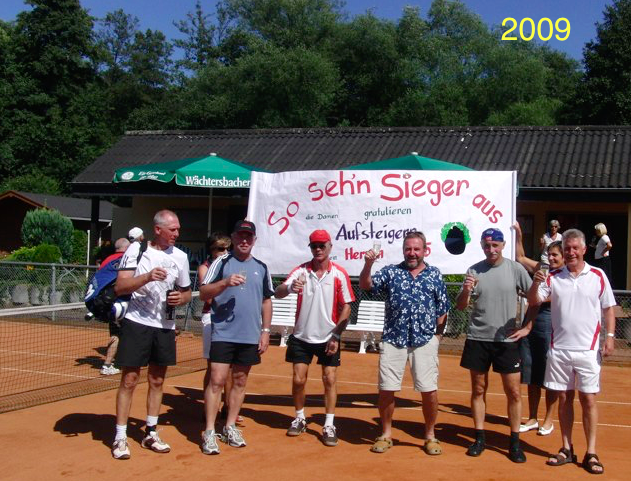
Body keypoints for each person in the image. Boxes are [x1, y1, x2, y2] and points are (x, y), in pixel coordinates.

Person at [527, 228, 616, 475]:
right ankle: (566, 448)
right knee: (564, 399)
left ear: (584, 249)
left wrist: (609, 337)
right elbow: (534, 301)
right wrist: (535, 283)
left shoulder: (598, 275)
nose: (571, 252)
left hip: (588, 351)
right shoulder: (553, 277)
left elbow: (609, 309)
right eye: (567, 248)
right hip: (560, 350)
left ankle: (591, 452)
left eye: (575, 248)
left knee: (588, 400)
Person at [110, 210, 192, 460]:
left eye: (178, 229)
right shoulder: (137, 251)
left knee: (157, 380)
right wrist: (147, 276)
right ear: (158, 229)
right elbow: (120, 286)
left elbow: (187, 292)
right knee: (130, 379)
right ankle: (120, 436)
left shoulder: (180, 257)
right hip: (137, 322)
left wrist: (180, 299)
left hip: (165, 326)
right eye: (173, 229)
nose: (177, 233)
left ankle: (151, 432)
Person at [359, 231, 449, 456]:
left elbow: (442, 308)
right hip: (393, 339)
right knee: (387, 389)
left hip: (424, 341)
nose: (412, 253)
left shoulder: (434, 274)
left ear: (425, 250)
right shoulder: (391, 272)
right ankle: (386, 434)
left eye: (416, 249)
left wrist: (437, 337)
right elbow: (367, 285)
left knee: (429, 390)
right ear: (403, 250)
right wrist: (368, 264)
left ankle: (430, 436)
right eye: (408, 249)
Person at [455, 227, 534, 463]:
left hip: (506, 341)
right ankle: (479, 438)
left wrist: (527, 327)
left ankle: (514, 442)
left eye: (495, 245)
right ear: (482, 246)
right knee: (478, 390)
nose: (491, 250)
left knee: (514, 392)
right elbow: (460, 305)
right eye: (487, 246)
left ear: (503, 245)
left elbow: (535, 299)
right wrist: (466, 290)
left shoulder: (515, 269)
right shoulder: (473, 270)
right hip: (478, 338)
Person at [199, 220, 273, 455]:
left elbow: (266, 301)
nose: (244, 240)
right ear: (233, 238)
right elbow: (203, 292)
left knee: (240, 381)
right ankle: (209, 431)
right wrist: (224, 282)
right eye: (240, 236)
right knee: (217, 380)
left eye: (248, 237)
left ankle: (230, 426)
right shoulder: (221, 262)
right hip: (223, 332)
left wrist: (265, 331)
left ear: (254, 240)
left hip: (250, 335)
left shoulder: (261, 267)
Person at [275, 229, 355, 447]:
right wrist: (290, 287)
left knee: (329, 379)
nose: (318, 249)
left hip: (329, 337)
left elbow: (347, 306)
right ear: (310, 248)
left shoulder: (339, 273)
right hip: (301, 336)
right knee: (298, 380)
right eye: (314, 246)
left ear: (330, 247)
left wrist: (336, 335)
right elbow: (278, 292)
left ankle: (329, 424)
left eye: (322, 245)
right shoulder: (300, 271)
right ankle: (300, 418)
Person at [513, 222, 561, 436]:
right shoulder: (542, 270)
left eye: (555, 255)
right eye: (549, 255)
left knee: (549, 374)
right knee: (531, 372)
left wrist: (534, 294)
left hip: (551, 326)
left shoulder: (565, 275)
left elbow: (547, 298)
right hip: (530, 324)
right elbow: (520, 257)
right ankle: (533, 417)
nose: (551, 258)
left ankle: (548, 419)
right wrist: (519, 235)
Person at [197, 232, 242, 423]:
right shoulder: (205, 268)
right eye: (220, 249)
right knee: (213, 366)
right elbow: (208, 297)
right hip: (212, 317)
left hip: (230, 318)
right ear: (212, 250)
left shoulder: (232, 265)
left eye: (227, 248)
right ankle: (209, 408)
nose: (225, 252)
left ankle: (229, 407)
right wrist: (226, 286)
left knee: (230, 367)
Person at [100, 237, 131, 376]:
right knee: (128, 334)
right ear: (127, 248)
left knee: (116, 334)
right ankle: (119, 363)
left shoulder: (107, 261)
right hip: (122, 304)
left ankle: (108, 364)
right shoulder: (126, 260)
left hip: (109, 304)